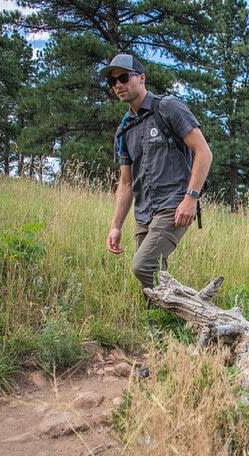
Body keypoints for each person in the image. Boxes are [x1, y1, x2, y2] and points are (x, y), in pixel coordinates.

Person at [101, 53, 213, 290]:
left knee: (143, 266)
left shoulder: (168, 108)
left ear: (141, 78)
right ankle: (158, 327)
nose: (118, 85)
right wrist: (116, 226)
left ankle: (194, 312)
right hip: (144, 212)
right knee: (152, 282)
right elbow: (125, 183)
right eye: (113, 82)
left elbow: (204, 152)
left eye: (123, 77)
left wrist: (190, 198)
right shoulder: (124, 130)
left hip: (174, 206)